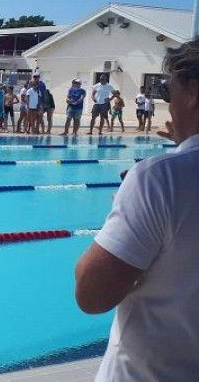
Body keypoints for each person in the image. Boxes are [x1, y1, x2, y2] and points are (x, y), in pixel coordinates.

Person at [75, 40, 199, 380]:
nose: (168, 106)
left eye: (169, 93)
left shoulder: (159, 181)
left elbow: (92, 294)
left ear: (193, 92)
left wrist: (157, 178)